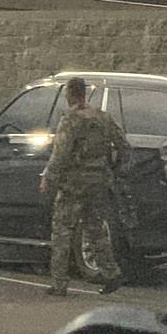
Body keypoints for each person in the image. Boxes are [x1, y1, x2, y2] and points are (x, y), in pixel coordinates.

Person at [39, 77, 130, 295]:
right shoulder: (102, 117)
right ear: (85, 92)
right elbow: (123, 146)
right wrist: (112, 169)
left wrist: (48, 179)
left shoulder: (70, 119)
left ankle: (59, 284)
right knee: (96, 229)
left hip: (73, 185)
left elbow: (60, 153)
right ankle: (112, 273)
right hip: (98, 182)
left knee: (62, 231)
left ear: (69, 93)